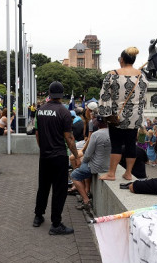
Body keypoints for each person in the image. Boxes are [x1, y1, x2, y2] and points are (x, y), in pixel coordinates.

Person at [33, 81, 80, 235]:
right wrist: (75, 155)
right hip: (59, 156)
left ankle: (38, 216)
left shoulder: (40, 110)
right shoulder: (64, 112)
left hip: (45, 156)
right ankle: (56, 223)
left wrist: (43, 149)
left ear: (49, 93)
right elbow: (69, 138)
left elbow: (38, 134)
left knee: (43, 187)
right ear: (61, 94)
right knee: (59, 190)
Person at [97, 47, 148, 181]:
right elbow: (143, 97)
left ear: (122, 59)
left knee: (116, 144)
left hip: (117, 116)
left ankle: (111, 173)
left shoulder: (112, 74)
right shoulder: (141, 75)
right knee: (131, 143)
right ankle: (128, 173)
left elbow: (104, 96)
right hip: (135, 116)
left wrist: (104, 114)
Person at [71, 116, 110, 212]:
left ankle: (86, 200)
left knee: (75, 175)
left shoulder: (95, 135)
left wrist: (81, 161)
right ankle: (87, 190)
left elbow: (88, 154)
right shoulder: (113, 133)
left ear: (97, 124)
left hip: (96, 166)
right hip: (109, 166)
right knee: (83, 168)